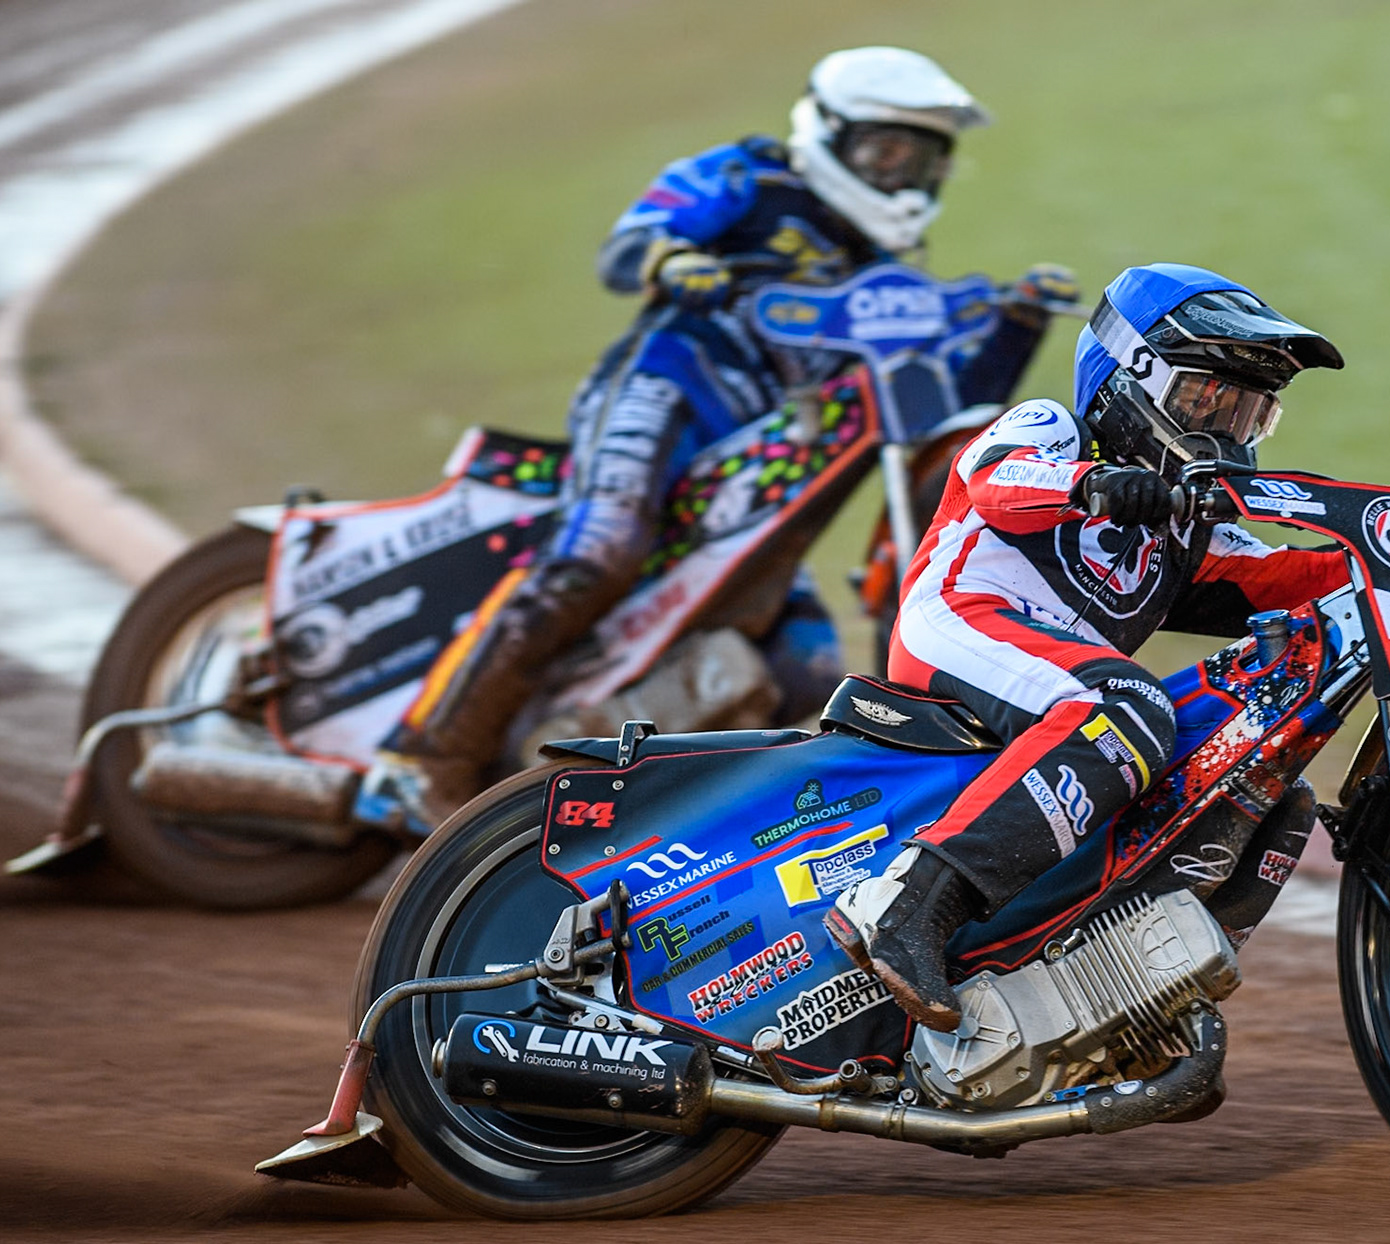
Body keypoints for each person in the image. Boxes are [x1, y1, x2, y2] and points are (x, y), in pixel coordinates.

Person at [825, 262, 1390, 1031]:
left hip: (1065, 690)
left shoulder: (1189, 524)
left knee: (1268, 784)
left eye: (1249, 411)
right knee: (1125, 704)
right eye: (1205, 398)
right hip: (957, 621)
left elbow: (1292, 572)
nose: (1226, 429)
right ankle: (907, 906)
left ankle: (1123, 1002)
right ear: (1130, 379)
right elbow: (995, 481)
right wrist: (1094, 485)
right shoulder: (1052, 427)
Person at [358, 47, 1077, 833]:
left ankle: (608, 818)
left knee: (802, 668)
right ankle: (418, 758)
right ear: (828, 132)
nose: (903, 176)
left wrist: (1018, 323)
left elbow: (945, 413)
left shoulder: (883, 274)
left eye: (923, 159)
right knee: (602, 547)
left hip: (757, 471)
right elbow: (629, 244)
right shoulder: (750, 177)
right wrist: (677, 258)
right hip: (666, 387)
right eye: (885, 151)